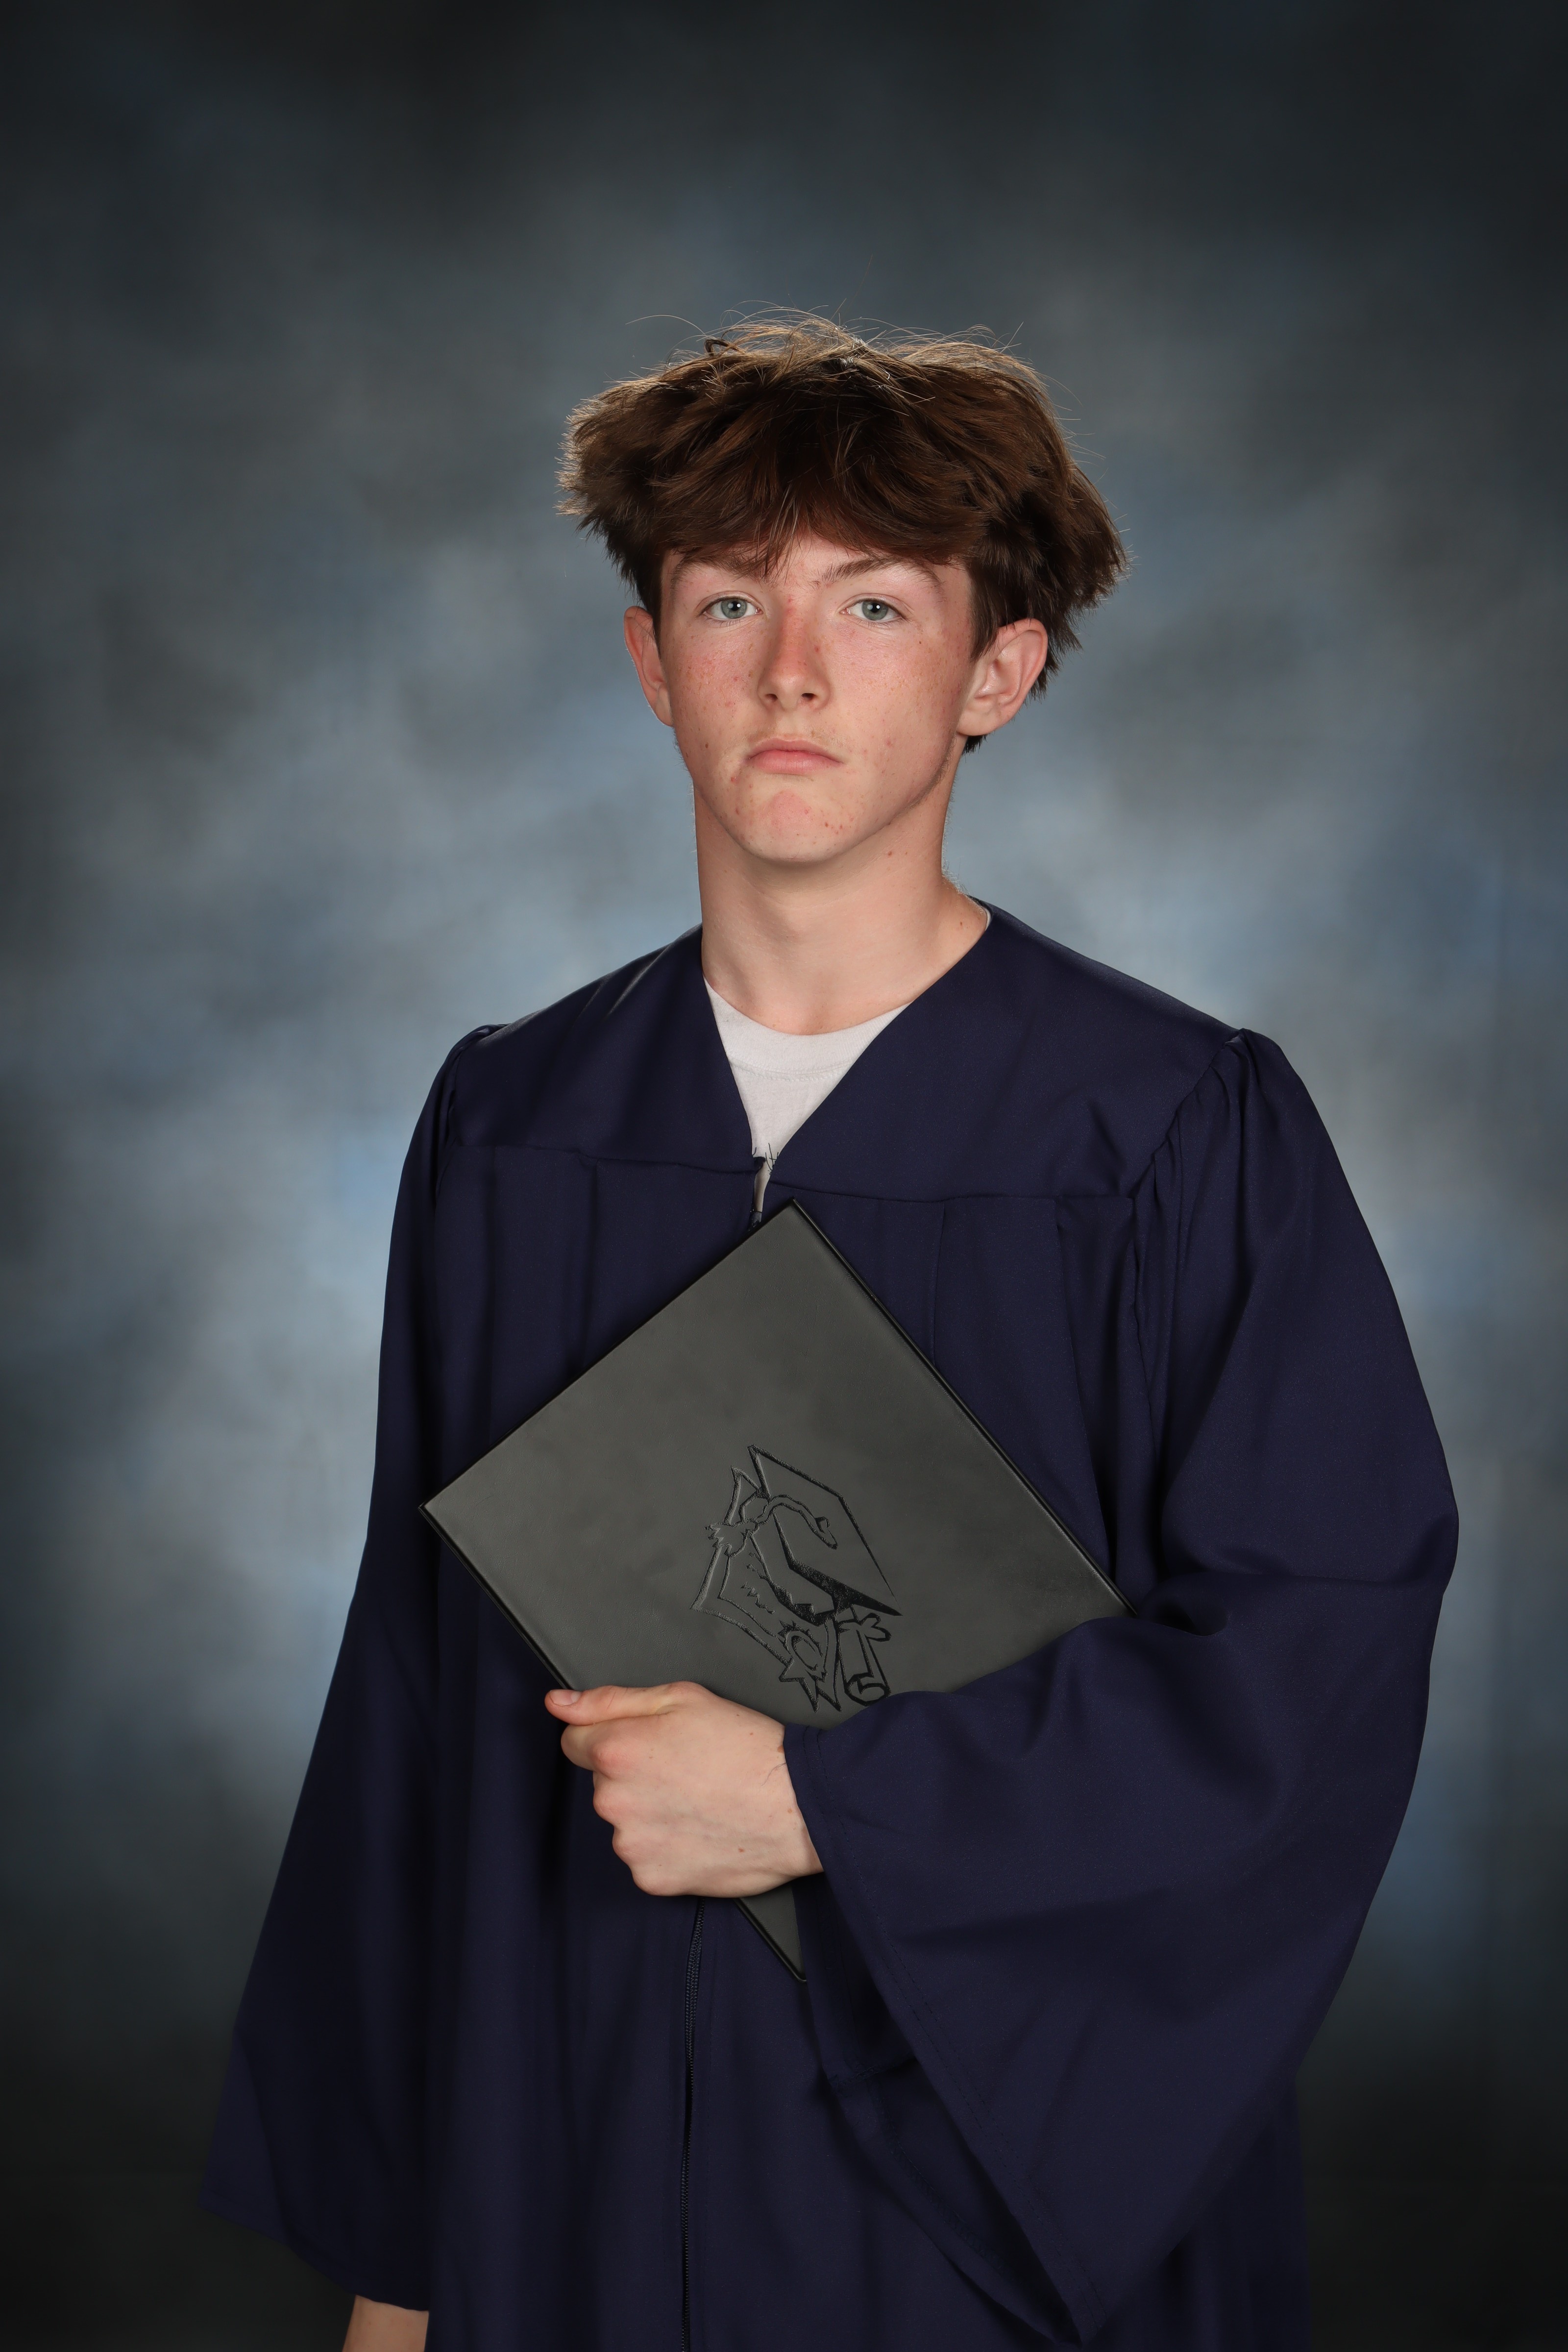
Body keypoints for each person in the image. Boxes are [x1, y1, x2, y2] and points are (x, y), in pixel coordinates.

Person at [201, 319, 1457, 2351]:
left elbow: (1306, 1667)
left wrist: (821, 1803)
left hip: (981, 2209)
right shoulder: (517, 1123)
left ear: (996, 674)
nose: (789, 668)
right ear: (650, 662)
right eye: (729, 600)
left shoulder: (1166, 1134)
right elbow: (414, 1710)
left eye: (871, 605)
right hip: (569, 2158)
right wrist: (399, 2273)